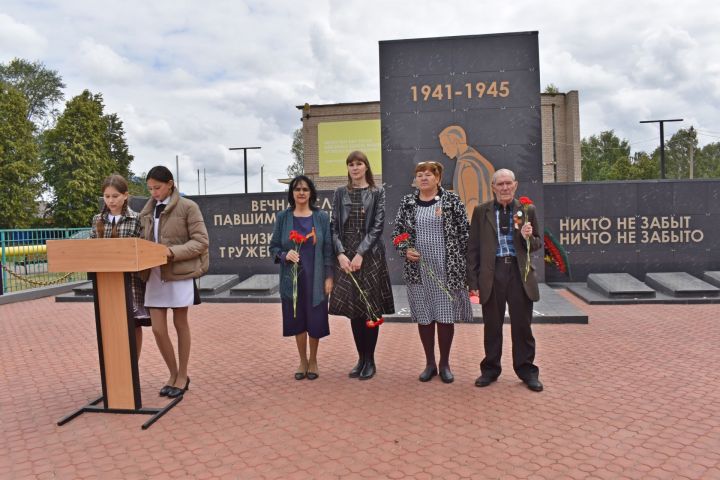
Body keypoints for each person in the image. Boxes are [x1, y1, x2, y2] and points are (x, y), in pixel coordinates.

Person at [392, 161, 472, 383]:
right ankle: (430, 363)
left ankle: (444, 363)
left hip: (447, 270)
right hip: (418, 271)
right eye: (420, 175)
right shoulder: (408, 202)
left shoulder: (451, 200)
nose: (424, 178)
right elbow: (397, 233)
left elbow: (465, 233)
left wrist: (466, 267)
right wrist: (405, 249)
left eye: (428, 174)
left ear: (438, 178)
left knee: (445, 316)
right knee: (425, 317)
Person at [466, 168, 544, 392]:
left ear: (515, 185)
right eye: (500, 184)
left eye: (508, 183)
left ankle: (527, 371)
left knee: (522, 326)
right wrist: (473, 282)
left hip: (519, 274)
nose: (505, 187)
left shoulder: (527, 210)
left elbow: (537, 244)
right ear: (493, 187)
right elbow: (473, 248)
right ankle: (490, 370)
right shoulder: (481, 211)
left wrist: (528, 237)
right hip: (492, 273)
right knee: (492, 325)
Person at [139, 166, 209, 399]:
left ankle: (183, 375)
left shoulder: (189, 207)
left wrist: (171, 252)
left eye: (157, 187)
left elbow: (201, 241)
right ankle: (172, 373)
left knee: (180, 324)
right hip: (153, 275)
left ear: (170, 184)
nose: (154, 193)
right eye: (150, 189)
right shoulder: (146, 211)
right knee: (158, 329)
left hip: (179, 273)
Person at [329, 151, 395, 381]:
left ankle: (370, 360)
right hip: (346, 257)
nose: (355, 168)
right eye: (351, 164)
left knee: (370, 308)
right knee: (354, 310)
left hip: (370, 256)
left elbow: (377, 226)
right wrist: (340, 254)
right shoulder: (340, 192)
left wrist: (360, 253)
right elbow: (333, 226)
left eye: (359, 163)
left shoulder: (377, 192)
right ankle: (360, 359)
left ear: (366, 166)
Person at [270, 175, 334, 380]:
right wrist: (284, 255)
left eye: (305, 189)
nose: (301, 193)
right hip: (293, 279)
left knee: (315, 320)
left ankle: (313, 360)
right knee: (297, 318)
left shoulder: (321, 217)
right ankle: (302, 361)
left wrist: (329, 277)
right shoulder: (283, 217)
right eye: (297, 189)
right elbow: (273, 247)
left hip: (316, 278)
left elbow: (328, 249)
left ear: (311, 193)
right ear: (292, 193)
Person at [90, 174, 150, 360]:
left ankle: (133, 366)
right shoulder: (97, 220)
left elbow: (142, 249)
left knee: (133, 325)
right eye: (107, 196)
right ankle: (114, 367)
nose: (111, 201)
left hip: (130, 281)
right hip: (106, 283)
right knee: (110, 325)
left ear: (125, 195)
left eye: (115, 196)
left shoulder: (137, 219)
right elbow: (90, 249)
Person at [439, 125, 496, 219]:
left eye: (445, 146)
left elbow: (471, 201)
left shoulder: (466, 165)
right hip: (488, 217)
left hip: (475, 221)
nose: (444, 151)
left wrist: (469, 226)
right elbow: (466, 191)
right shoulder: (481, 161)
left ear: (456, 142)